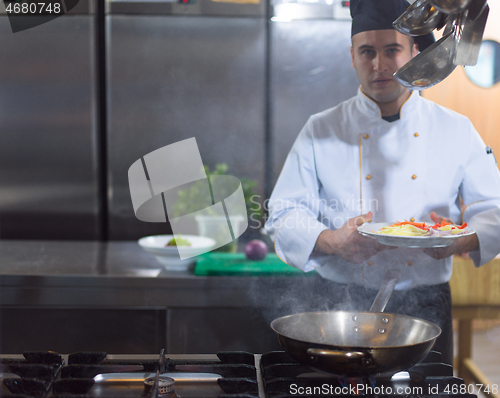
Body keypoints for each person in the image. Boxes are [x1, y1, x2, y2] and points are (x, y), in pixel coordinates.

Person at [264, 0, 500, 367]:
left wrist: (462, 240)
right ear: (352, 56)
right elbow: (283, 214)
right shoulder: (321, 128)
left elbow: (494, 209)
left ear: (414, 51)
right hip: (340, 307)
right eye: (367, 52)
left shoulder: (456, 129)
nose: (379, 65)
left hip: (427, 305)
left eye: (392, 50)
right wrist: (332, 242)